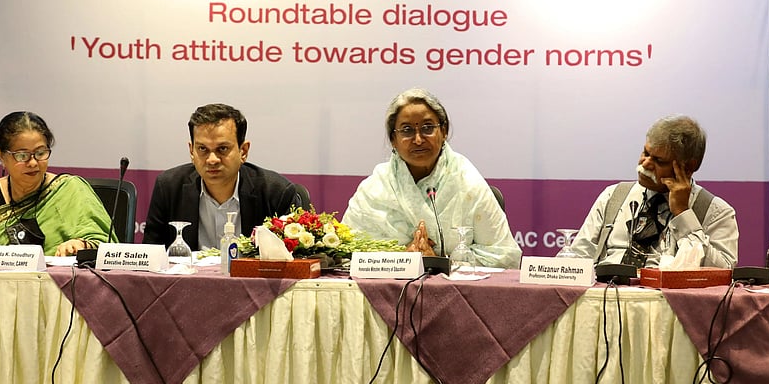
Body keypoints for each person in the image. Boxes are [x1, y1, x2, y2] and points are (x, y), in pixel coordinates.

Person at [343, 88, 521, 269]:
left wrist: (439, 262)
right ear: (393, 140)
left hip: (457, 293)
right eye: (407, 130)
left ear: (443, 132)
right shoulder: (374, 189)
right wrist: (403, 260)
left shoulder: (467, 182)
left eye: (427, 128)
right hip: (384, 293)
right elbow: (346, 256)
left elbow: (504, 257)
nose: (418, 139)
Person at [567, 115, 738, 269]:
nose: (645, 164)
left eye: (659, 160)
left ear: (689, 166)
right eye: (646, 153)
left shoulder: (717, 212)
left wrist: (683, 214)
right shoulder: (613, 196)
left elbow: (723, 273)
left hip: (669, 301)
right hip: (605, 296)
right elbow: (577, 259)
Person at [144, 103, 305, 251]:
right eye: (202, 149)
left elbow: (297, 262)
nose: (212, 159)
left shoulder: (276, 193)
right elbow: (151, 258)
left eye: (222, 149)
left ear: (243, 151)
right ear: (191, 150)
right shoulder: (169, 188)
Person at [0, 111, 110, 256]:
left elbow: (103, 244)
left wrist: (81, 245)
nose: (33, 163)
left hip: (60, 280)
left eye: (40, 153)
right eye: (22, 155)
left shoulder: (71, 189)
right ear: (1, 155)